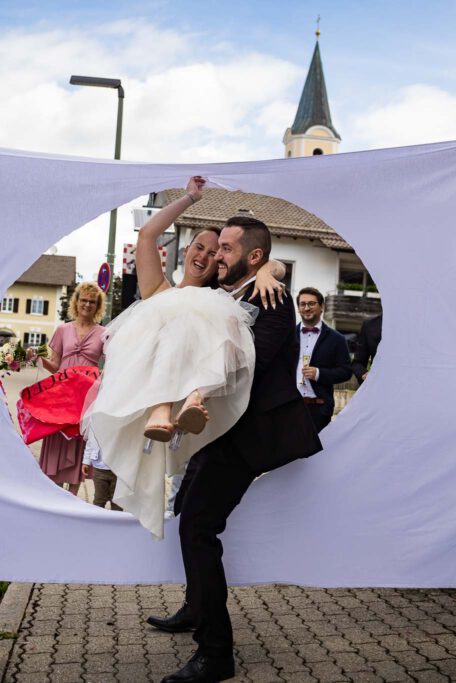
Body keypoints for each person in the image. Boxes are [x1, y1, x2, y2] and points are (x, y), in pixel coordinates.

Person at [150, 217, 323, 683]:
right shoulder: (234, 293)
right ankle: (195, 606)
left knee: (198, 527)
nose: (217, 255)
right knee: (187, 506)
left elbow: (248, 366)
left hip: (250, 435)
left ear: (252, 257)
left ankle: (215, 654)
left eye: (226, 247)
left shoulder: (271, 298)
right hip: (220, 433)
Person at [82, 176, 286, 539]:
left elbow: (267, 266)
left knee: (201, 320)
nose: (206, 256)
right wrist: (189, 198)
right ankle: (162, 413)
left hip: (192, 399)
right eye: (200, 247)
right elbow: (147, 235)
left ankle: (188, 401)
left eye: (215, 253)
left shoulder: (219, 303)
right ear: (187, 249)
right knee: (172, 315)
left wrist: (271, 269)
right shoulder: (157, 289)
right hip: (149, 392)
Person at [27, 282, 106, 494]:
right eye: (84, 300)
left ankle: (72, 497)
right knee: (56, 437)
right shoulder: (62, 329)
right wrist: (39, 357)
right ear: (76, 301)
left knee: (78, 442)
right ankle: (53, 495)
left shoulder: (104, 333)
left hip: (85, 399)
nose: (87, 304)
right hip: (61, 395)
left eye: (92, 301)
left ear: (97, 306)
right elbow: (54, 365)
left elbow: (110, 365)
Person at [295, 287, 352, 431]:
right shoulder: (287, 335)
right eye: (303, 304)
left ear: (322, 307)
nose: (307, 308)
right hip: (290, 408)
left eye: (311, 304)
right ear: (299, 308)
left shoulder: (337, 339)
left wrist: (319, 374)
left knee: (317, 454)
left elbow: (346, 371)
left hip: (319, 409)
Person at [82, 435, 122, 511]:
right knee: (99, 498)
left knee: (117, 500)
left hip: (118, 468)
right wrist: (86, 461)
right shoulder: (94, 423)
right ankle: (97, 519)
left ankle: (116, 520)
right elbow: (90, 442)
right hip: (99, 468)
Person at [351, 313, 382, 385]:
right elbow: (358, 363)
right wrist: (364, 375)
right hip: (379, 387)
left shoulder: (411, 324)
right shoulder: (370, 325)